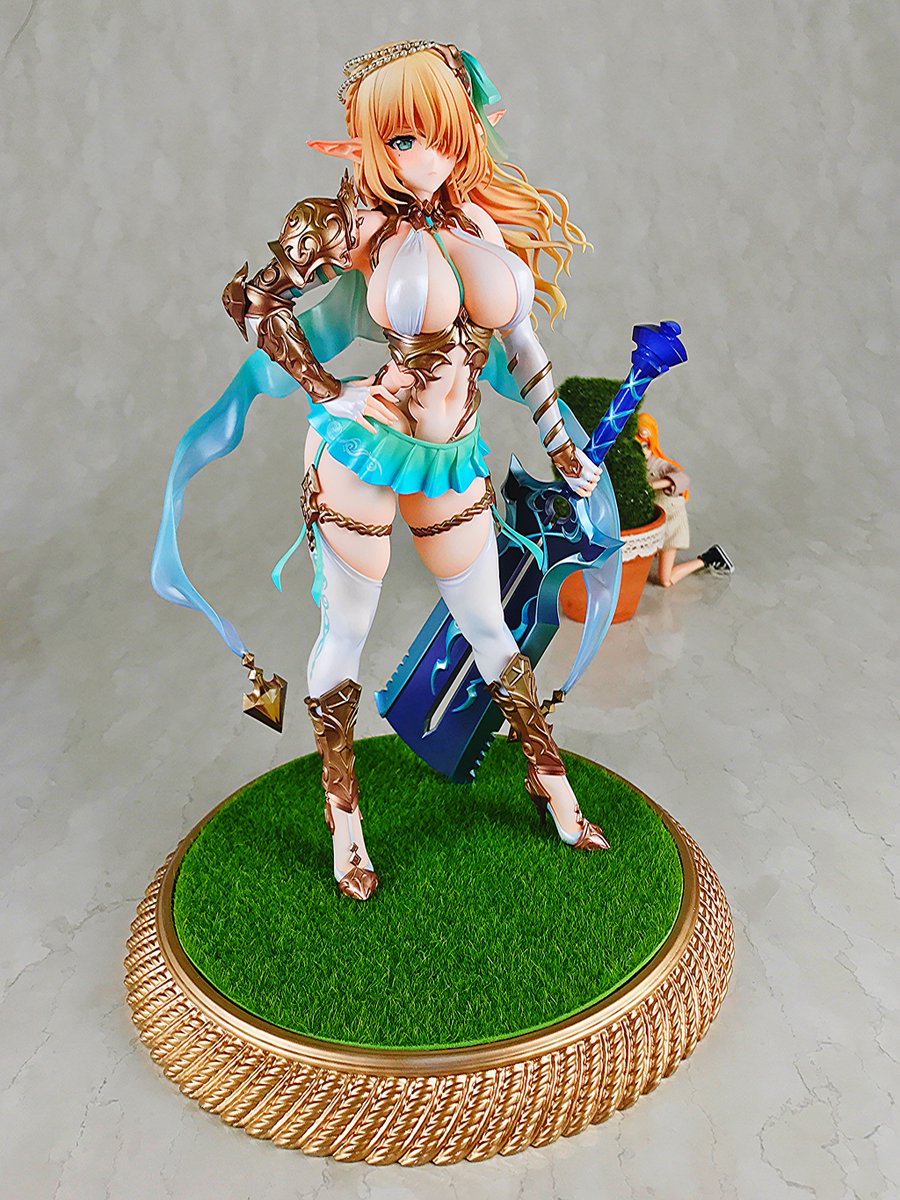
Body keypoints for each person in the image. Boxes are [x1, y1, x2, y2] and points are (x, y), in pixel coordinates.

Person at [156, 40, 615, 902]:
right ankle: (346, 827)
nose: (421, 157)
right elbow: (251, 300)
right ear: (370, 143)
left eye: (437, 133)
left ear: (465, 126)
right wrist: (329, 392)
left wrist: (561, 442)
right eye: (400, 140)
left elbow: (523, 345)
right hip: (364, 453)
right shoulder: (353, 223)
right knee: (348, 634)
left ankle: (553, 790)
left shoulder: (476, 223)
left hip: (452, 454)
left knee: (492, 630)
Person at [635, 412, 734, 587]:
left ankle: (708, 558)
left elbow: (682, 478)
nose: (643, 451)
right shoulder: (636, 466)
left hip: (670, 521)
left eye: (645, 446)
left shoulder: (659, 464)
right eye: (637, 446)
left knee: (665, 580)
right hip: (655, 520)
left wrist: (653, 485)